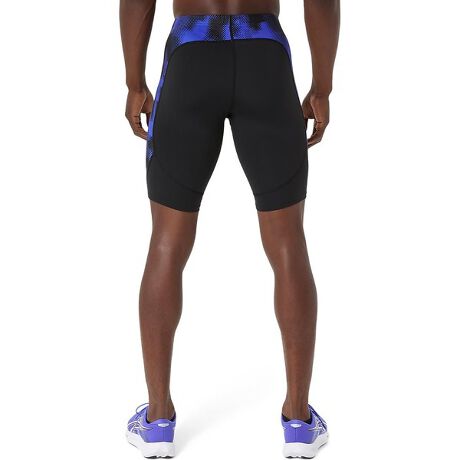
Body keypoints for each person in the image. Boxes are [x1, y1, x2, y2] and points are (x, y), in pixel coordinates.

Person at [120, 0, 340, 457]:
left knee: (166, 244)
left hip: (191, 54)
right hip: (265, 57)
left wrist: (134, 81)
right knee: (288, 244)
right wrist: (322, 86)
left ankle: (157, 420)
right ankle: (298, 421)